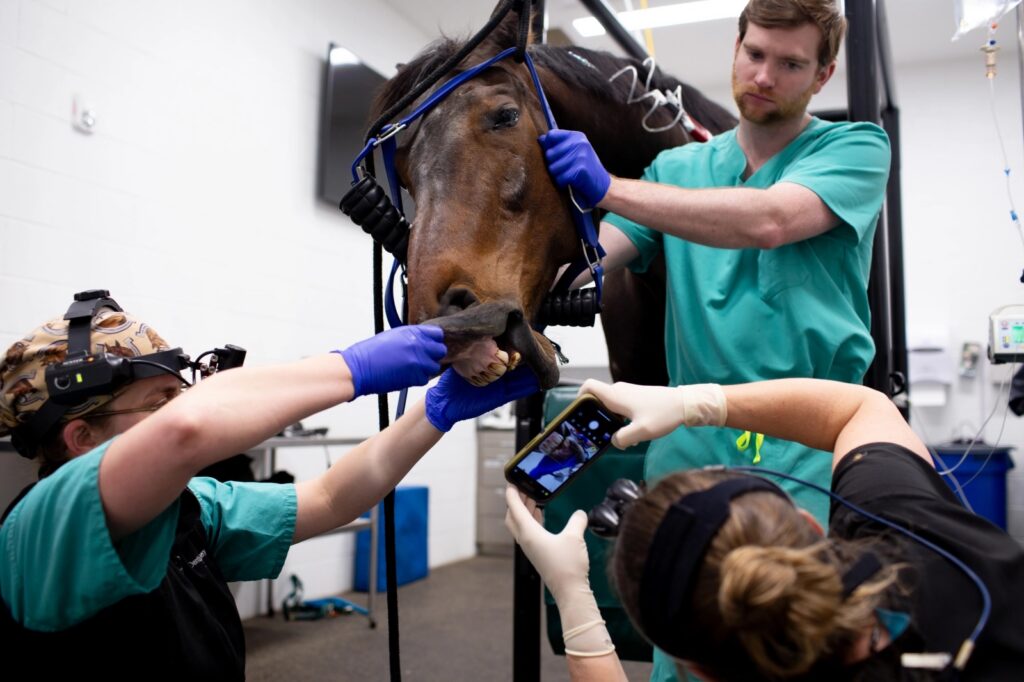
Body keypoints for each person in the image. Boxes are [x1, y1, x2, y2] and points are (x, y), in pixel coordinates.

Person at [0, 290, 538, 677]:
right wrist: (354, 368)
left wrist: (434, 412)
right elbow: (187, 429)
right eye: (158, 402)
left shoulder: (190, 507)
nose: (180, 408)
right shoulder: (42, 527)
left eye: (178, 393)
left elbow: (329, 498)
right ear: (81, 438)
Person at [540, 0, 891, 530]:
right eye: (754, 53)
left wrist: (610, 187)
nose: (764, 76)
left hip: (805, 449)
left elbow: (770, 219)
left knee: (789, 603)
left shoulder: (855, 148)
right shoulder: (674, 169)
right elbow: (587, 265)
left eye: (790, 64)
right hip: (686, 457)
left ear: (824, 75)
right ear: (737, 47)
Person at [505, 378, 1024, 681]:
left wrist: (571, 593)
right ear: (807, 525)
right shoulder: (909, 530)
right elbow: (862, 407)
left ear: (693, 670)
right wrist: (695, 402)